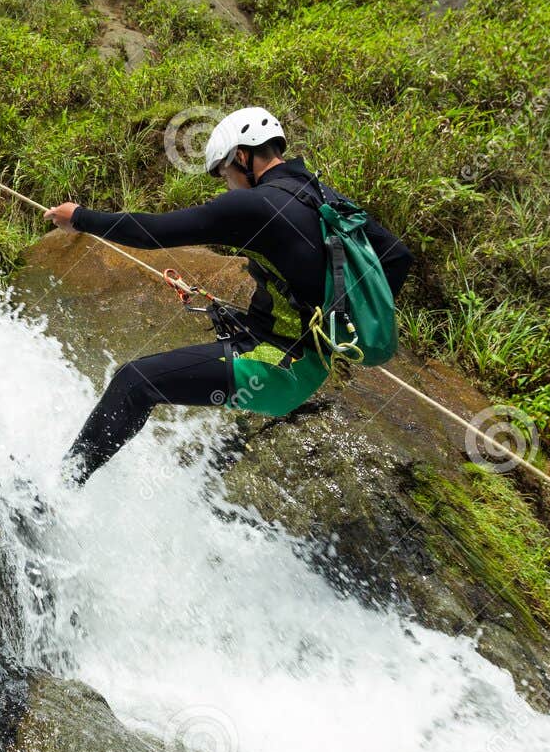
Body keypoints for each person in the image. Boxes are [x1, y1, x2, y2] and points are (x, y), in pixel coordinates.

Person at [44, 107, 412, 483]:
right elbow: (397, 256)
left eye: (224, 172)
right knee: (140, 380)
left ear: (242, 155)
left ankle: (60, 489)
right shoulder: (319, 195)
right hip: (301, 361)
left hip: (276, 366)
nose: (226, 184)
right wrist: (336, 323)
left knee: (134, 382)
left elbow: (152, 232)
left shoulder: (254, 205)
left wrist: (81, 217)